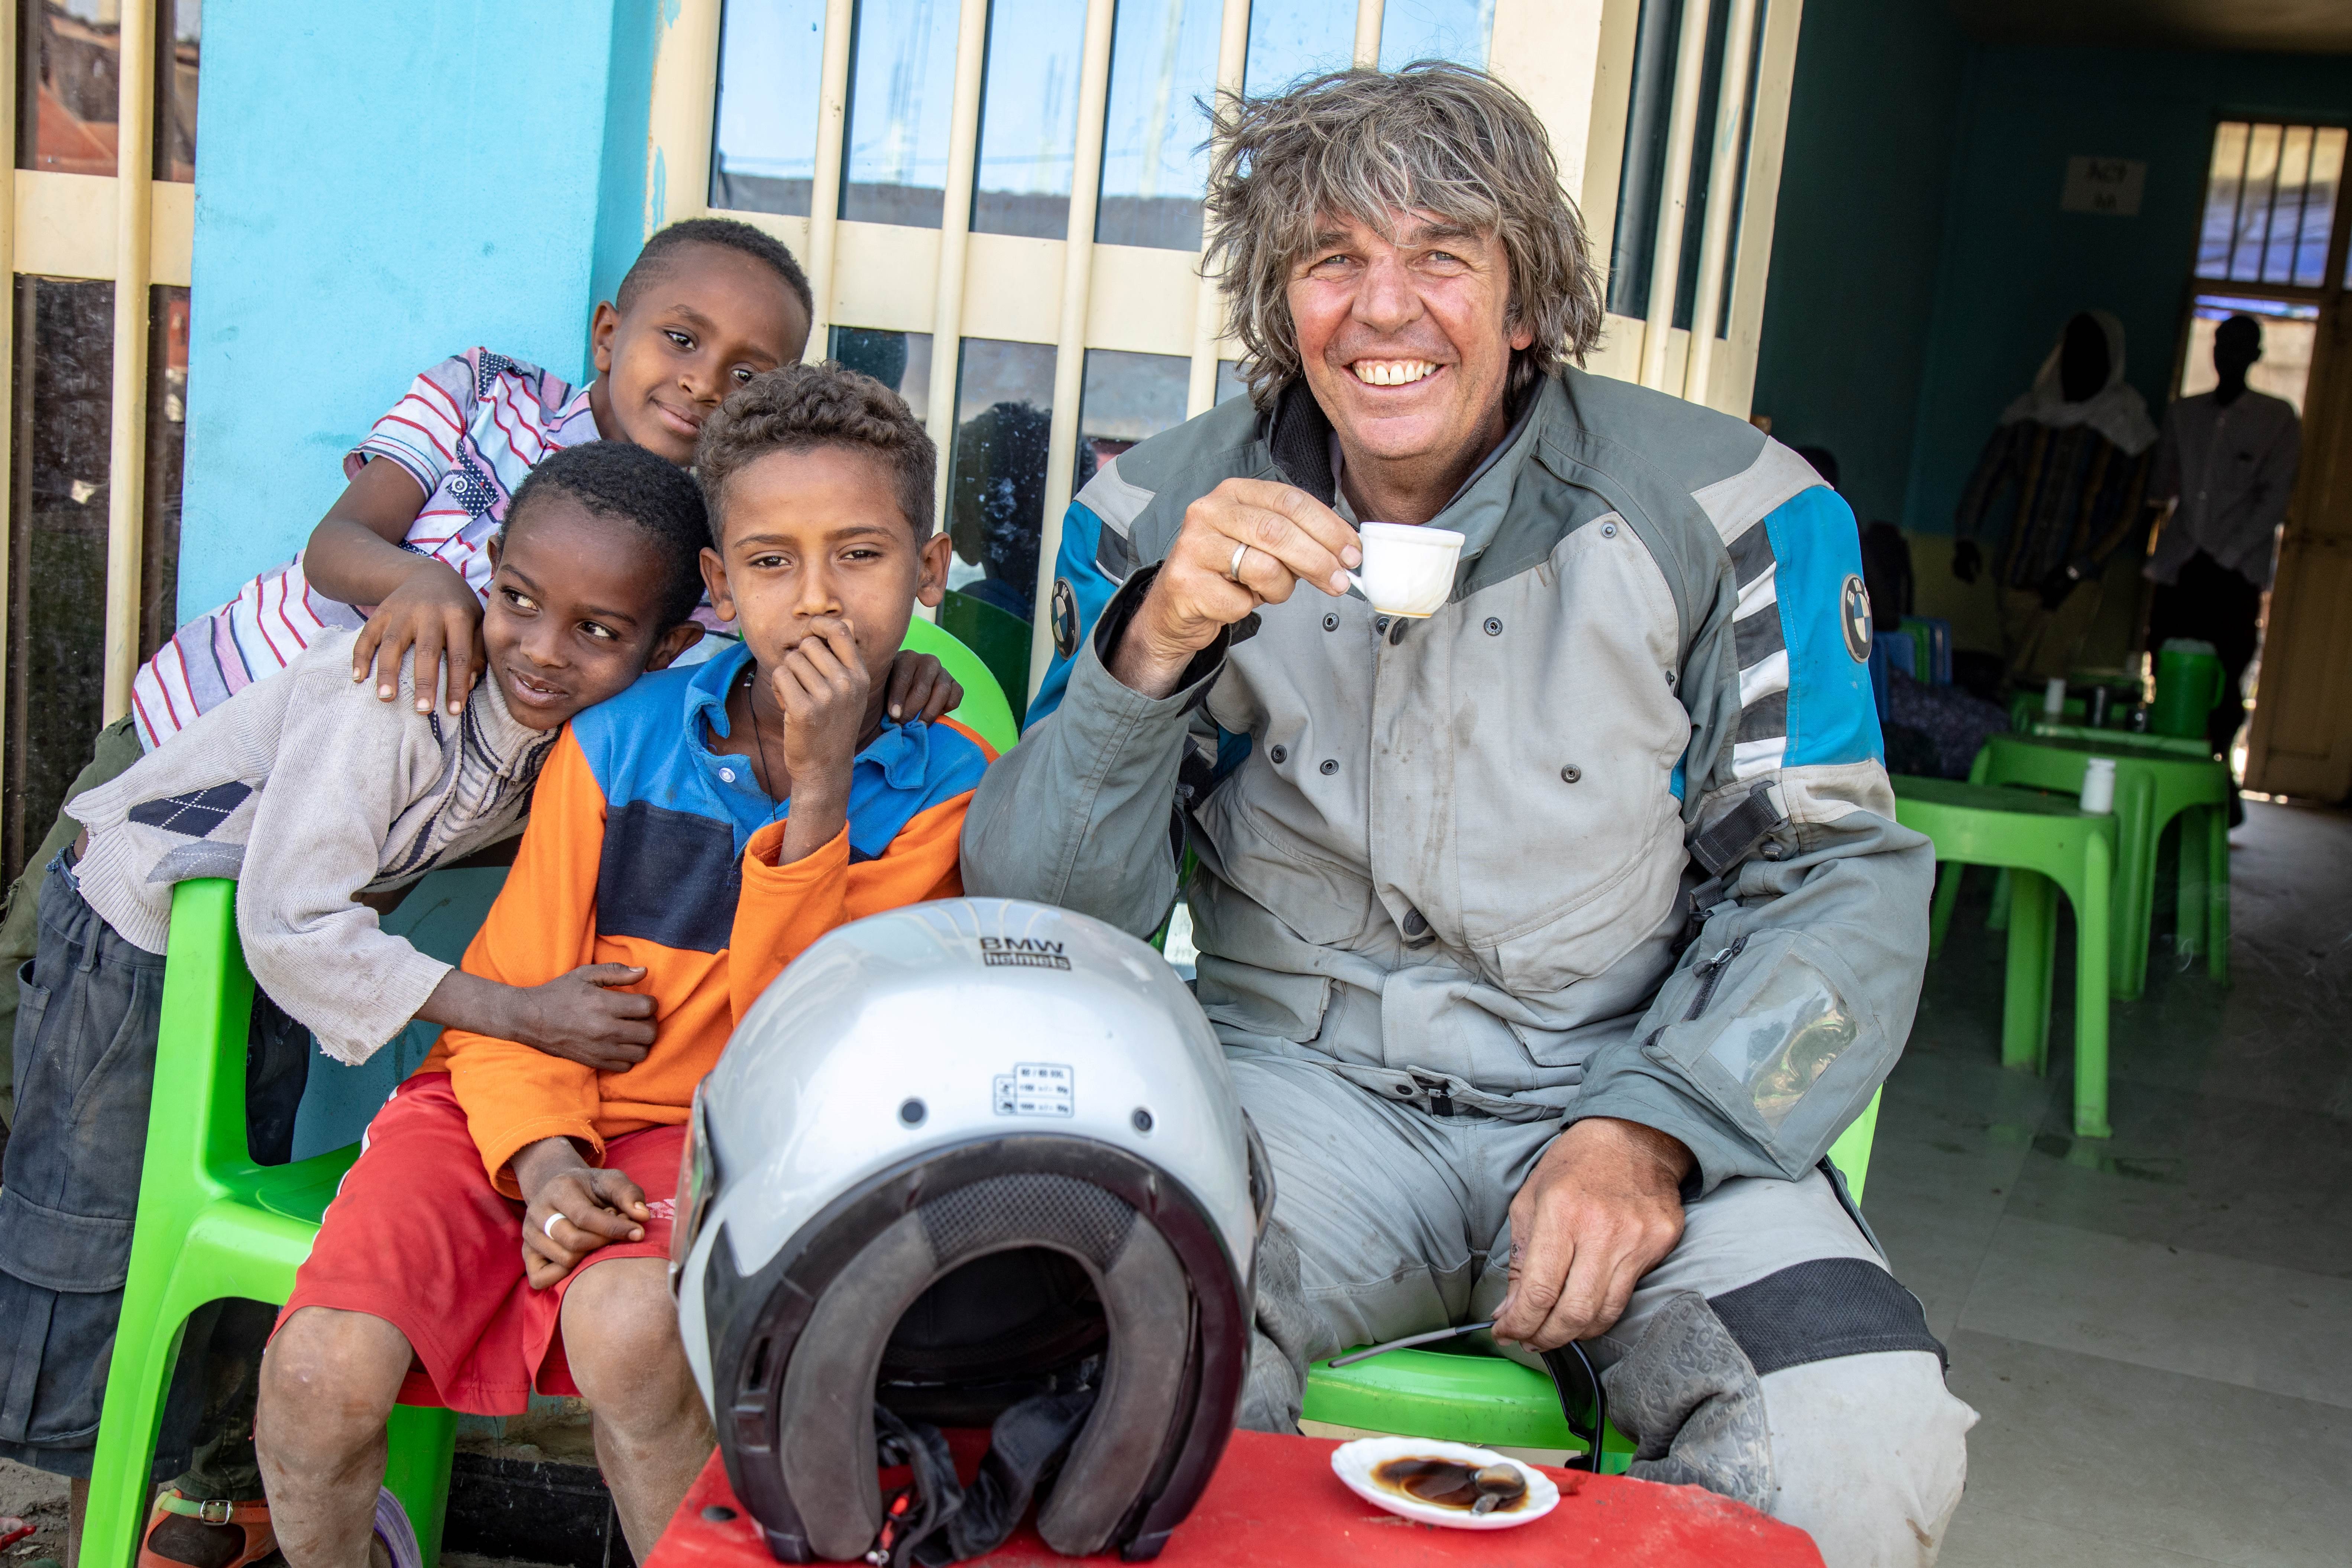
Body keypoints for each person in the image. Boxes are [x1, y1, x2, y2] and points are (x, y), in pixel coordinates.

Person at [961, 65, 1973, 1567]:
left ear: (1526, 302)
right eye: (1331, 258)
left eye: (1441, 254)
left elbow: (1835, 883)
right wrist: (1151, 646)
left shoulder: (1738, 510)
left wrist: (1653, 1130)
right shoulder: (1151, 513)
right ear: (1280, 302)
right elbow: (1043, 917)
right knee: (1075, 1351)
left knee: (1859, 1431)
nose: (1384, 308)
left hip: (1634, 1086)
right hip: (1284, 1099)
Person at [256, 362, 990, 1567]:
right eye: (770, 562)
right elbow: (516, 998)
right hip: (503, 1102)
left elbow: (802, 1047)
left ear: (930, 569)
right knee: (318, 1371)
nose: (815, 600)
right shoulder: (614, 741)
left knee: (630, 1331)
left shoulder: (945, 792)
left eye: (859, 556)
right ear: (718, 586)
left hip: (721, 1134)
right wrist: (546, 1159)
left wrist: (818, 792)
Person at [0, 219, 963, 1126]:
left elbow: (766, 662)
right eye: (680, 338)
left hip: (350, 847)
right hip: (204, 742)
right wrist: (424, 582)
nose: (702, 381)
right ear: (608, 333)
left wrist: (891, 671)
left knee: (208, 1074)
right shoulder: (490, 396)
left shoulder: (710, 565)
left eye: (746, 373)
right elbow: (336, 544)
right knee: (39, 990)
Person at [0, 443, 718, 1567]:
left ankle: (193, 1506)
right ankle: (96, 1520)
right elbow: (288, 922)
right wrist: (521, 1012)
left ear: (666, 646)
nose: (542, 648)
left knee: (209, 1248)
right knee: (93, 1238)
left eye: (596, 630)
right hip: (139, 935)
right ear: (487, 570)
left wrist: (899, 677)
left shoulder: (592, 723)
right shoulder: (396, 688)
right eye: (520, 601)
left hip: (264, 966)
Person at [1950, 309, 2158, 682]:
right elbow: (1987, 478)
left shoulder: (2128, 426)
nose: (2080, 360)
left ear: (2110, 359)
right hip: (2017, 569)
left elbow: (2129, 514)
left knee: (2045, 678)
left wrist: (2076, 569)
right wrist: (1966, 538)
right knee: (2015, 675)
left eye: (2092, 352)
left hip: (2073, 585)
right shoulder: (2029, 413)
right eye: (2073, 348)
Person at [2143, 312, 2299, 761]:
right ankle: (2168, 754)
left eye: (2238, 346)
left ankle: (2216, 767)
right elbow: (2161, 486)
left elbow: (2275, 498)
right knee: (2169, 663)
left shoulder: (2275, 419)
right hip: (2181, 565)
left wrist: (2228, 554)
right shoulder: (2185, 414)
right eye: (2221, 344)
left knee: (2226, 676)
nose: (2227, 355)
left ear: (2255, 355)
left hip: (2235, 571)